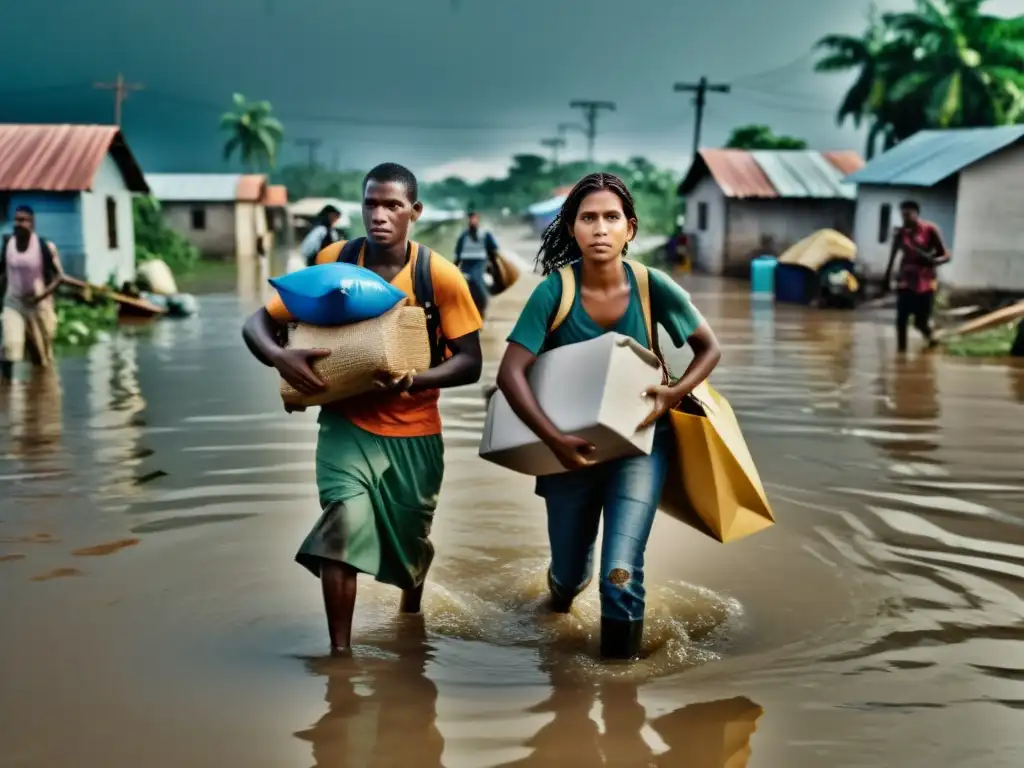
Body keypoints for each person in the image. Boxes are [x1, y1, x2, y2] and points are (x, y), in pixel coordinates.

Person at [241, 163, 483, 654]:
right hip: (345, 428)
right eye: (371, 203)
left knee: (412, 544)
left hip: (415, 434)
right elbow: (258, 323)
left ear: (415, 211)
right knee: (341, 528)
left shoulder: (438, 275)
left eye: (393, 205)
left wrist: (413, 381)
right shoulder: (338, 259)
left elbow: (471, 363)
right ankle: (340, 655)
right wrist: (280, 356)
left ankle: (409, 615)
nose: (380, 214)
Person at [495, 173, 721, 660]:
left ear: (630, 229)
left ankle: (620, 692)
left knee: (620, 572)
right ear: (573, 229)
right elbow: (511, 373)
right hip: (567, 452)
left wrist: (673, 393)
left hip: (641, 443)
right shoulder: (553, 292)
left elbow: (708, 348)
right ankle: (554, 604)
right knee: (571, 578)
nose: (600, 228)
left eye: (611, 218)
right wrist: (554, 440)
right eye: (588, 218)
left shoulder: (651, 285)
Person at [1, 206, 64, 381]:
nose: (18, 224)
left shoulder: (43, 246)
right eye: (16, 220)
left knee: (41, 358)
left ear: (32, 223)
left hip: (38, 305)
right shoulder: (8, 244)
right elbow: (2, 274)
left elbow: (58, 277)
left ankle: (41, 394)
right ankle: (6, 394)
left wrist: (41, 296)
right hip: (13, 302)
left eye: (23, 220)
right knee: (9, 346)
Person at [882, 200, 950, 353]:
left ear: (916, 214)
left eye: (908, 215)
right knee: (901, 320)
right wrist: (886, 279)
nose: (905, 219)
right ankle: (901, 353)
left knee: (920, 322)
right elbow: (893, 256)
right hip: (906, 280)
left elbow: (945, 255)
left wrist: (933, 261)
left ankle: (933, 341)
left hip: (925, 282)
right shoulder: (900, 233)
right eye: (902, 215)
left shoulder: (930, 230)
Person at [453, 210, 500, 314]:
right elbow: (458, 252)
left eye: (473, 219)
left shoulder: (485, 234)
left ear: (477, 220)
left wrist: (493, 263)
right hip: (466, 263)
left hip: (480, 262)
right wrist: (453, 267)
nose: (471, 221)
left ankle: (482, 307)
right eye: (470, 219)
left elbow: (493, 249)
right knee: (460, 283)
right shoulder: (464, 235)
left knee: (476, 281)